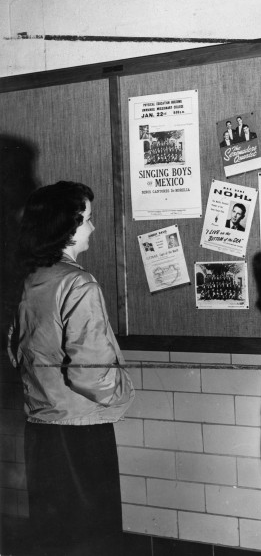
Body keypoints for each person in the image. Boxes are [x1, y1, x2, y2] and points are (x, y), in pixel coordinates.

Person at [8, 181, 135, 556]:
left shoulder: (32, 279)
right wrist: (124, 391)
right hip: (81, 433)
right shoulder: (78, 283)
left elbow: (17, 353)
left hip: (41, 430)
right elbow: (90, 372)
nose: (92, 228)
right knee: (93, 538)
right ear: (68, 227)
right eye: (88, 219)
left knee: (54, 536)